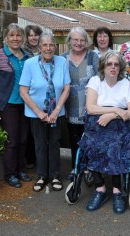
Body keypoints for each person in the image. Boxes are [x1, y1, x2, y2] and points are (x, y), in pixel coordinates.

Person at [78, 51, 130, 214]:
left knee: (115, 145)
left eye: (116, 64)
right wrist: (117, 109)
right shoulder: (95, 81)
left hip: (119, 124)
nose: (113, 67)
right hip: (96, 122)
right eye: (109, 64)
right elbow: (91, 108)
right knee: (92, 144)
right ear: (103, 66)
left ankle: (117, 192)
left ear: (120, 68)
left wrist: (112, 115)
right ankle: (100, 189)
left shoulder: (126, 83)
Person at [19, 32, 71, 192]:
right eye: (45, 45)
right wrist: (38, 112)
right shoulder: (30, 64)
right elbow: (23, 91)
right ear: (39, 47)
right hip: (36, 114)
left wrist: (56, 110)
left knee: (55, 144)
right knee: (40, 144)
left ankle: (55, 176)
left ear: (54, 46)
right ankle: (41, 176)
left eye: (51, 45)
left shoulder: (62, 61)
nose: (48, 48)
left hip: (56, 113)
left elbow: (66, 88)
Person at [0, 23, 32, 188]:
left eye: (18, 35)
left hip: (26, 105)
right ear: (6, 38)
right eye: (12, 35)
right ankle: (10, 174)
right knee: (12, 141)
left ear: (23, 38)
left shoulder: (27, 56)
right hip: (8, 105)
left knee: (23, 140)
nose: (15, 39)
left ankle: (20, 170)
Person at [61, 27, 99, 185]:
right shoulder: (62, 58)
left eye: (82, 40)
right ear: (70, 41)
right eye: (75, 40)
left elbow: (99, 81)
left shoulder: (93, 57)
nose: (78, 43)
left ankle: (88, 167)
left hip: (89, 103)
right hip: (70, 104)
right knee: (74, 137)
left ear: (86, 42)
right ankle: (75, 167)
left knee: (89, 137)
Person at [24, 25, 43, 169]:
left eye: (36, 35)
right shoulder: (24, 53)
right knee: (30, 133)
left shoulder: (45, 51)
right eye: (30, 35)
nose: (33, 37)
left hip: (43, 97)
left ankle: (41, 160)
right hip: (28, 96)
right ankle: (31, 160)